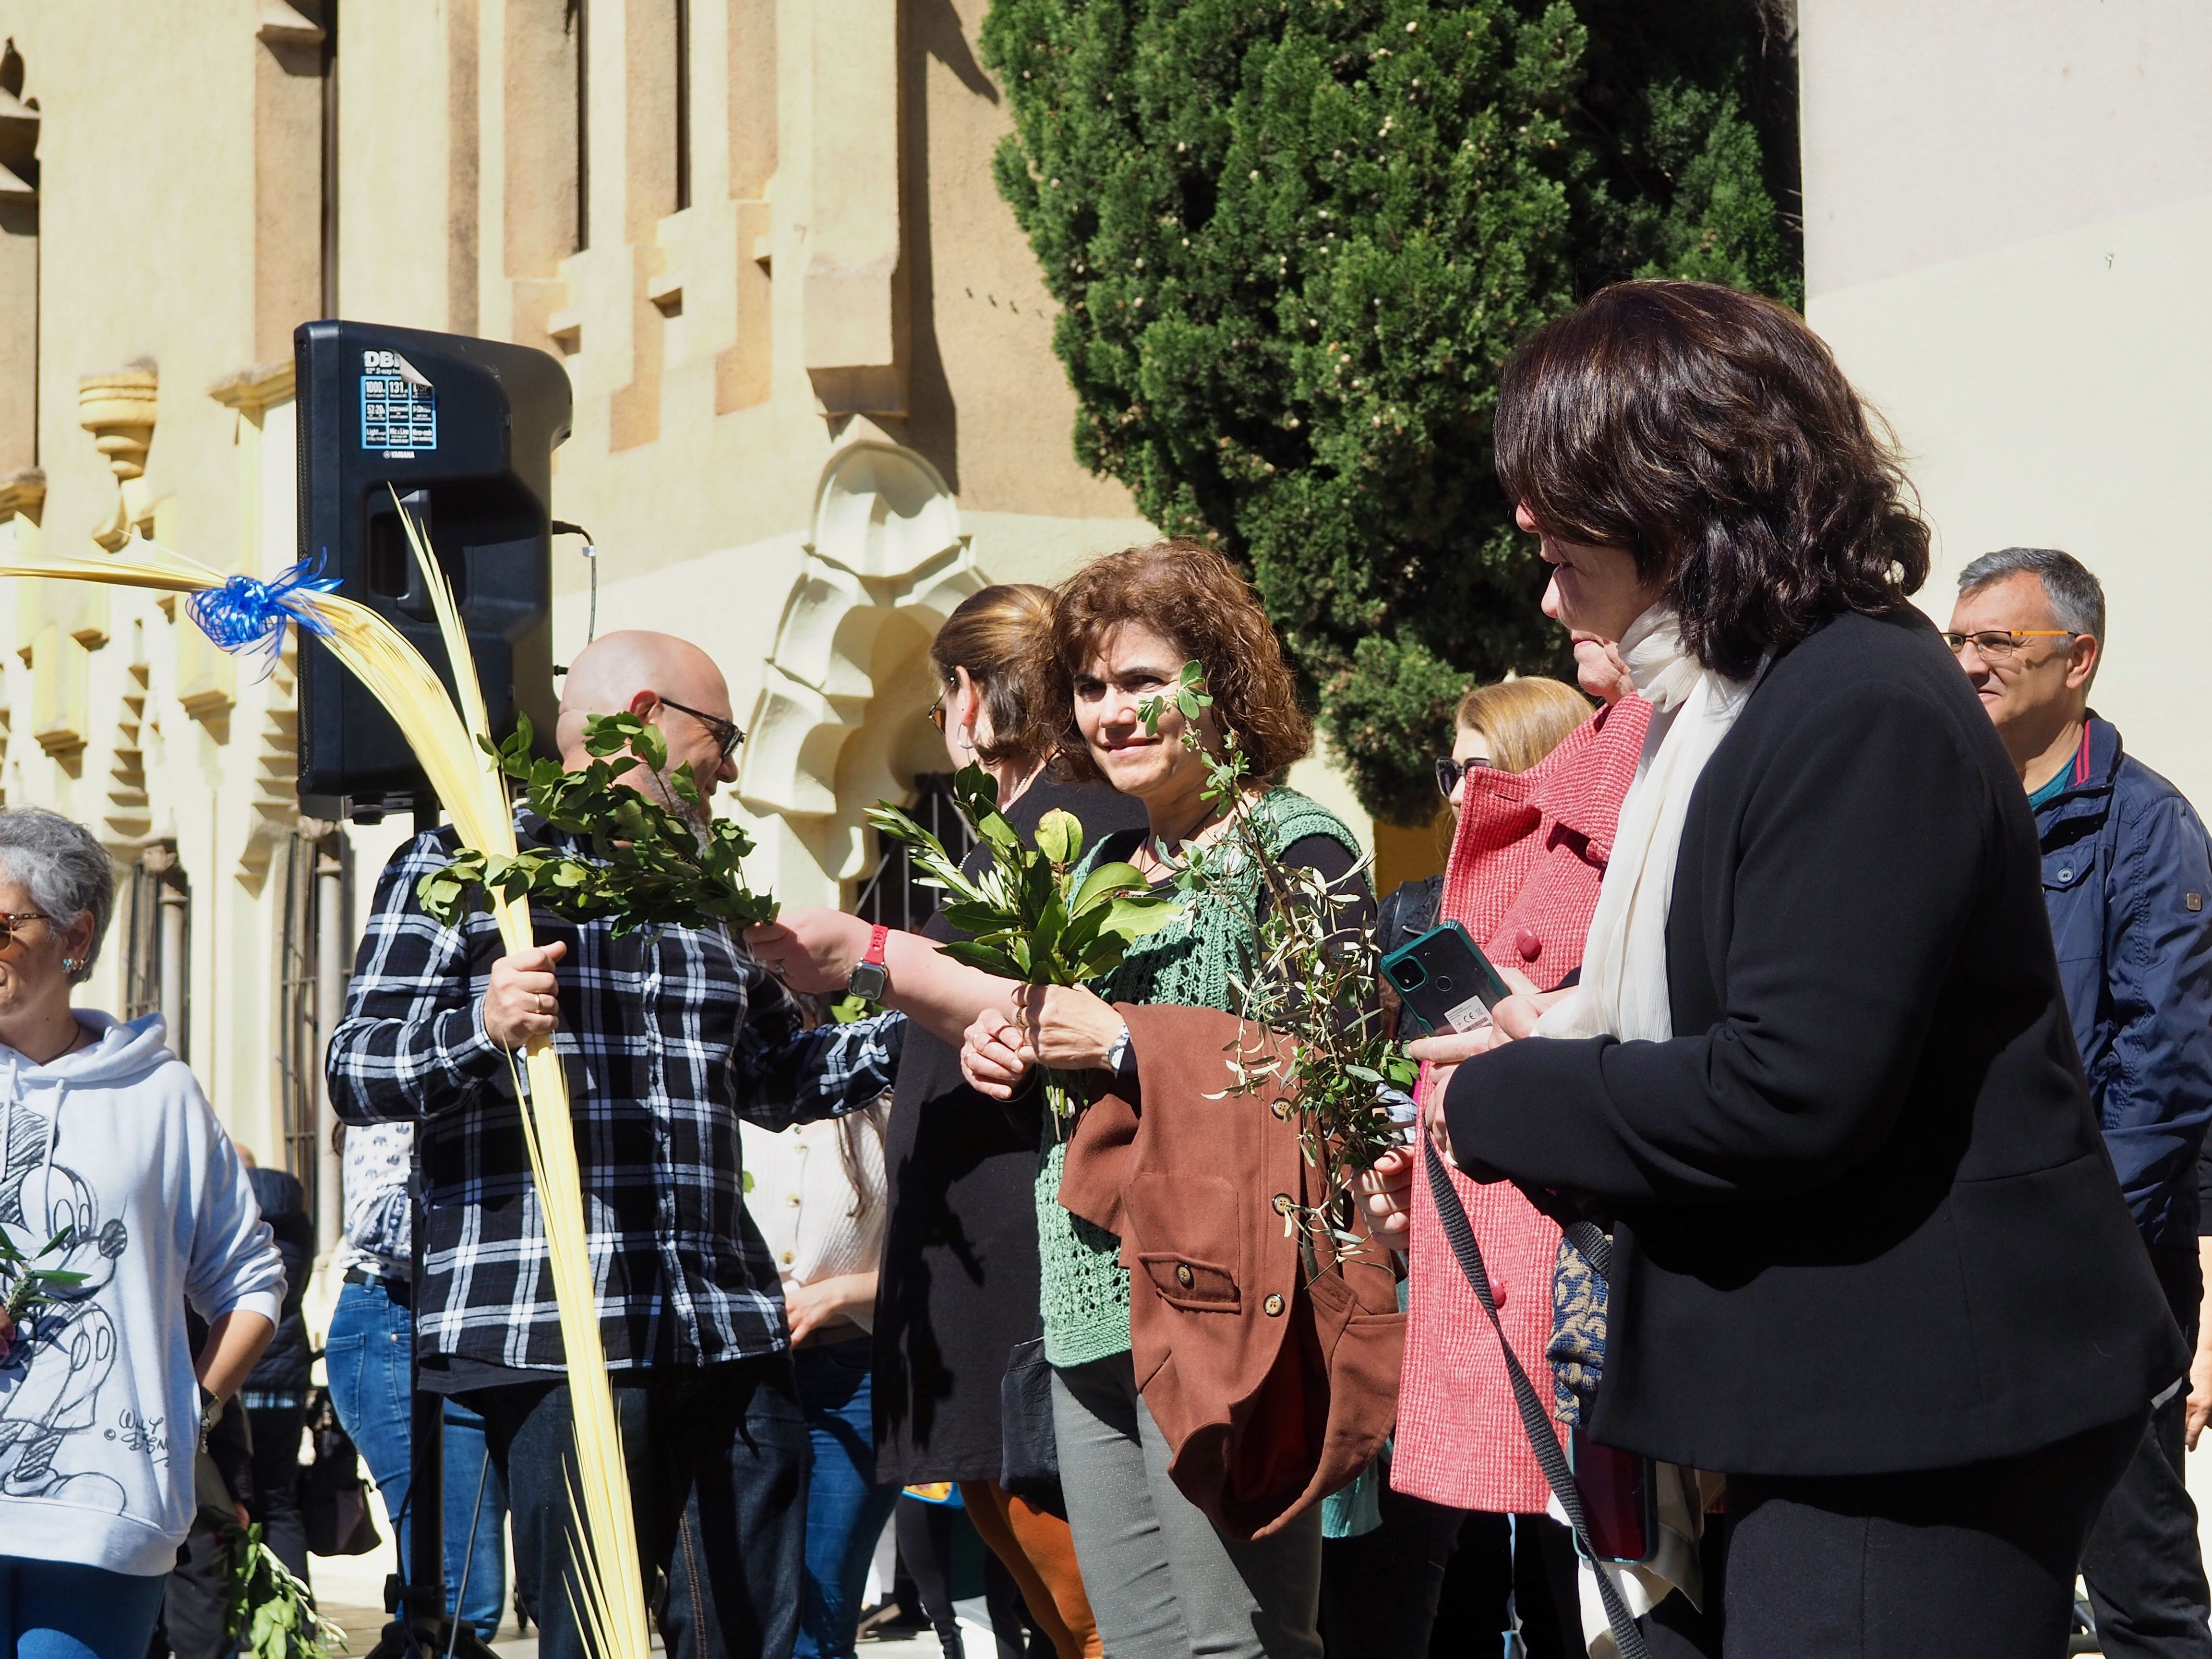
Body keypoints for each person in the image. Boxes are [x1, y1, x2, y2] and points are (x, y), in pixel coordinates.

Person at [1391, 280, 2182, 1657]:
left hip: (1918, 1413)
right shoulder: (1748, 699)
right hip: (1841, 1393)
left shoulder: (1858, 704)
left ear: (1674, 480)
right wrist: (1560, 1028)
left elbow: (1792, 1086)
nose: (1529, 536)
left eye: (1556, 493)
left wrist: (1512, 1098)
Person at [328, 630, 904, 1659]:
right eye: (720, 736)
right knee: (594, 1640)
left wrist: (940, 1018)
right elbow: (355, 1069)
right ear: (644, 717)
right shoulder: (466, 861)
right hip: (559, 1327)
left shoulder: (704, 890)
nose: (730, 767)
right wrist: (480, 1027)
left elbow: (781, 1079)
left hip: (725, 1326)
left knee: (748, 1636)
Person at [959, 541, 1373, 1659]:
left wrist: (1128, 1040)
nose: (1112, 712)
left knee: (1240, 1643)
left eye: (1144, 681)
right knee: (1136, 1647)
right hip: (1089, 1299)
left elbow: (1346, 1077)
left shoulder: (1299, 848)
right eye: (1091, 689)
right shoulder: (1105, 869)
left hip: (1223, 1298)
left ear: (1221, 681)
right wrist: (1014, 1043)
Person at [749, 584, 1143, 1659]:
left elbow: (1060, 1012)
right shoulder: (1008, 838)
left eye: (942, 703)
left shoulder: (1082, 822)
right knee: (1043, 1595)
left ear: (970, 696)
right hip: (967, 1290)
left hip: (1029, 1279)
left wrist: (872, 958)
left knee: (1095, 1606)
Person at [1948, 545, 2212, 1659]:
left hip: (2098, 1267)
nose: (1964, 666)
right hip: (1953, 1256)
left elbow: (2167, 1067)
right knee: (1976, 1579)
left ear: (2078, 657)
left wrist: (2072, 1232)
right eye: (1953, 642)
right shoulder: (1938, 803)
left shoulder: (2148, 832)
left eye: (1993, 644)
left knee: (2138, 1582)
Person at [0, 808, 284, 1659]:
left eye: (2, 925)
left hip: (103, 1510)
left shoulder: (159, 1095)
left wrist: (191, 1410)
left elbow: (249, 1281)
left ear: (74, 936)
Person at [322, 1119, 509, 1636]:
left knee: (459, 1593)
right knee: (455, 1594)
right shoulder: (399, 1071)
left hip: (464, 1333)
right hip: (395, 1321)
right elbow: (378, 1221)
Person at [741, 1052, 897, 1659]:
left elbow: (933, 1267)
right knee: (742, 1613)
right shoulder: (714, 1096)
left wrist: (838, 1293)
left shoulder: (881, 1100)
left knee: (819, 1624)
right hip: (742, 1381)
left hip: (855, 1373)